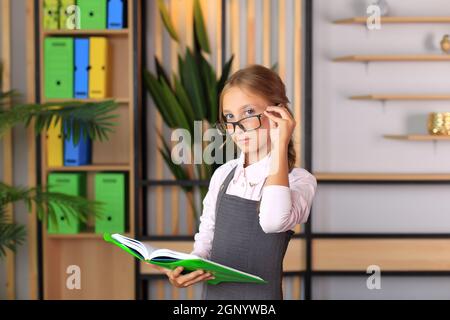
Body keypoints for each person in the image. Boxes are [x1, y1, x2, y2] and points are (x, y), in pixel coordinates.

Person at [148, 64, 317, 300]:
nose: (238, 127)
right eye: (229, 117)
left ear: (278, 113)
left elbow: (272, 221)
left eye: (248, 112)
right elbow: (205, 246)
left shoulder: (299, 180)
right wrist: (183, 270)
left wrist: (280, 144)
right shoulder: (223, 175)